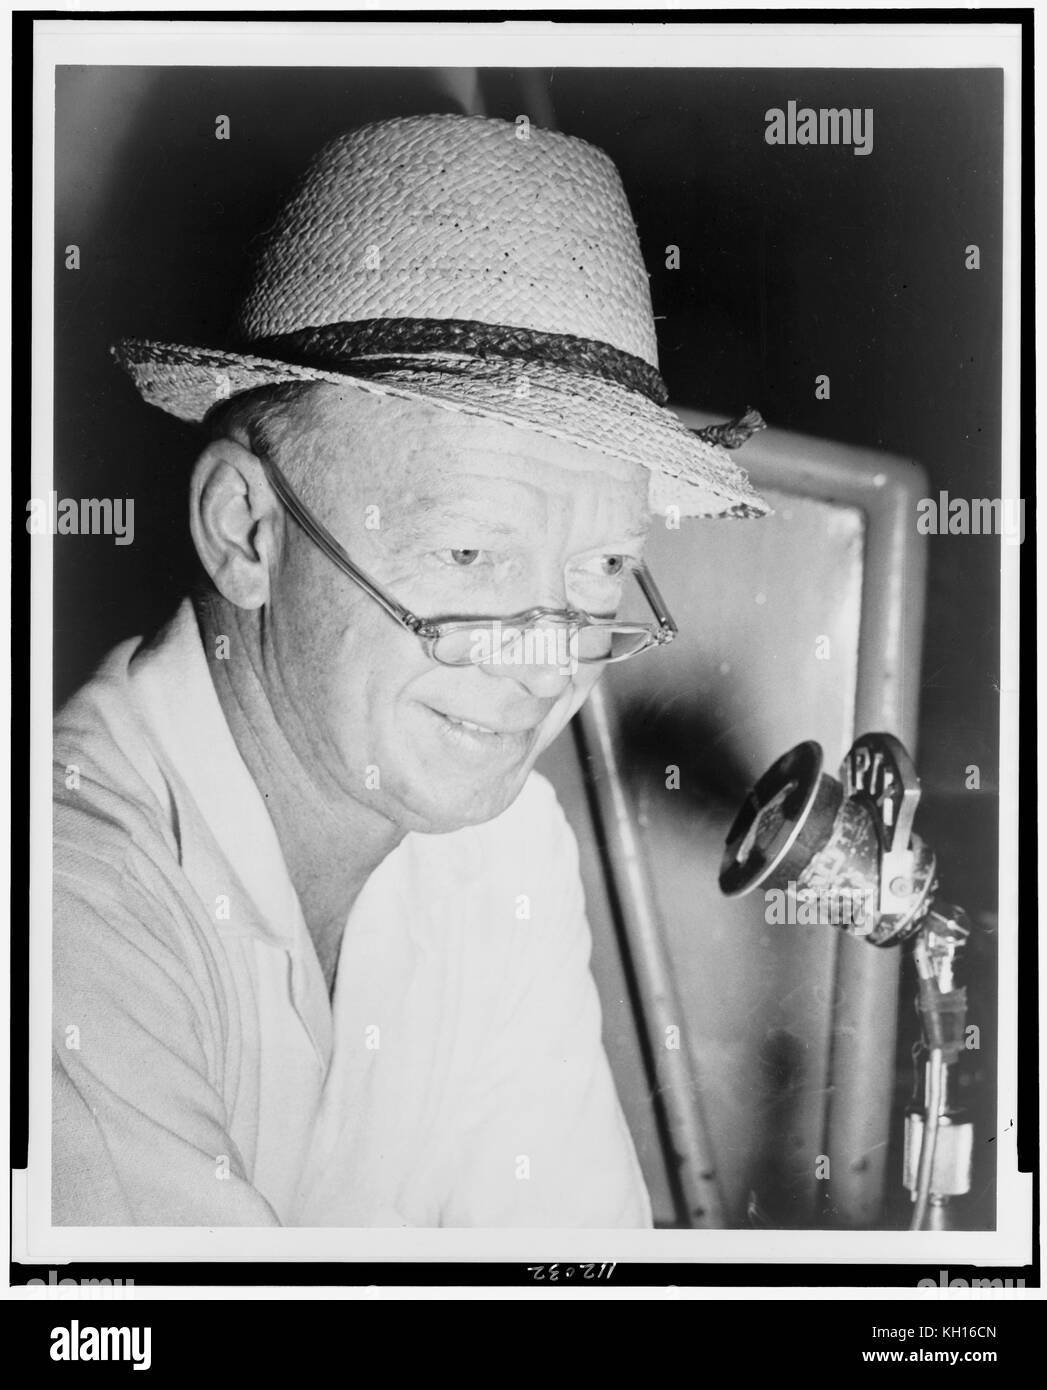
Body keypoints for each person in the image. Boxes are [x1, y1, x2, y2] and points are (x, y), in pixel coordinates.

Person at [52, 112, 767, 1226]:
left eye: (602, 568)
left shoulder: (505, 849)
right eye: (472, 553)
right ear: (247, 531)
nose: (546, 663)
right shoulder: (63, 911)